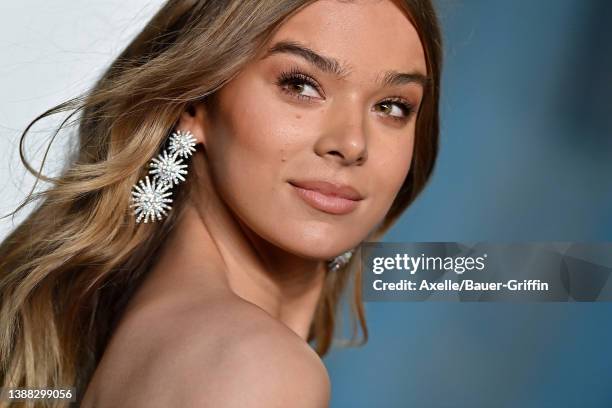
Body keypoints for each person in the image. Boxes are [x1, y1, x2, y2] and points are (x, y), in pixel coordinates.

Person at [0, 0, 442, 406]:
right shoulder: (257, 366)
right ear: (195, 103)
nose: (351, 143)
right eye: (301, 85)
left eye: (393, 107)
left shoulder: (149, 336)